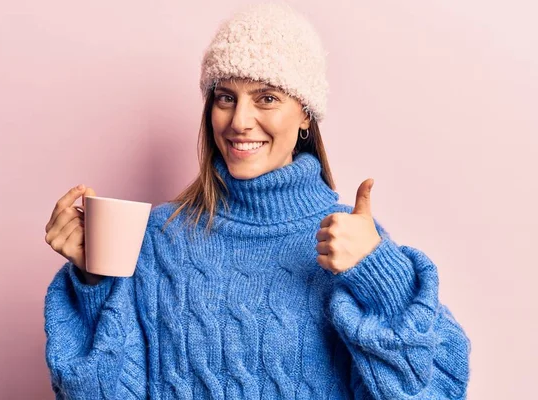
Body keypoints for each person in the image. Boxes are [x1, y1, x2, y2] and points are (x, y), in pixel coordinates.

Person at [43, 3, 470, 399]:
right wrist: (94, 281)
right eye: (225, 97)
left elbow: (439, 389)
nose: (240, 121)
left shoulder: (350, 242)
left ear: (305, 113)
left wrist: (380, 275)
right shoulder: (157, 237)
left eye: (267, 97)